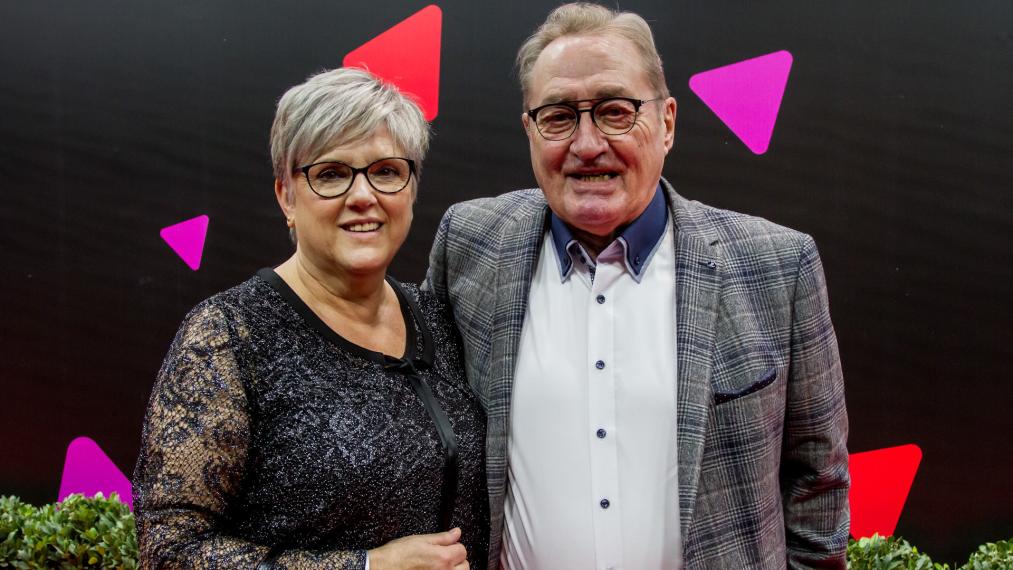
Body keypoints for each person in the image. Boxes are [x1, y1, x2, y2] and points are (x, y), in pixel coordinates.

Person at [424, 3, 849, 568]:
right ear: (529, 130)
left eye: (615, 112)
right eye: (558, 117)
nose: (587, 144)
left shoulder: (776, 266)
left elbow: (818, 484)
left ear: (667, 123)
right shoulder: (470, 245)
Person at [133, 67, 487, 570]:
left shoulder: (440, 318)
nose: (363, 195)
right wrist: (364, 567)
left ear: (411, 188)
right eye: (331, 174)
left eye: (387, 171)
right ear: (286, 196)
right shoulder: (229, 336)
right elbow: (169, 551)